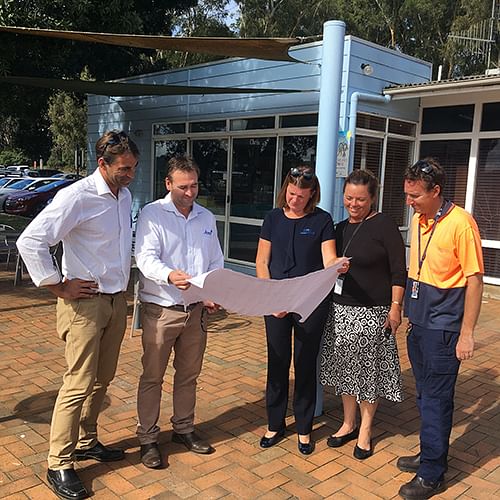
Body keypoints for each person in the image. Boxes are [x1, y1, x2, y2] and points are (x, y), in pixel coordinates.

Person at [17, 130, 139, 500]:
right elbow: (31, 240)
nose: (130, 175)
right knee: (77, 383)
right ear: (101, 163)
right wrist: (58, 286)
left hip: (117, 301)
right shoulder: (76, 197)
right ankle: (59, 462)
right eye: (123, 169)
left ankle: (87, 440)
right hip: (84, 305)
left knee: (102, 379)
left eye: (134, 168)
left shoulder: (124, 194)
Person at [397, 158, 484, 500]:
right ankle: (429, 453)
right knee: (423, 395)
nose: (409, 202)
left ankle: (432, 473)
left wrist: (467, 333)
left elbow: (474, 281)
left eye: (415, 195)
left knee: (436, 399)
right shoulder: (421, 219)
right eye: (407, 195)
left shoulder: (461, 223)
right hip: (419, 323)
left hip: (444, 329)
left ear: (436, 191)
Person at [135, 156, 223, 469]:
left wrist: (212, 290)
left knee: (188, 376)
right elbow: (145, 257)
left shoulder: (206, 217)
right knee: (153, 377)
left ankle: (183, 429)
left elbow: (216, 261)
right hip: (161, 309)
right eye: (183, 186)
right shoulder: (152, 214)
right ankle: (147, 438)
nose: (190, 192)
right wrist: (170, 274)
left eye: (194, 185)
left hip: (196, 311)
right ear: (168, 184)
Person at [255, 165, 344, 455]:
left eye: (301, 196)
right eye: (291, 194)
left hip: (310, 302)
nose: (294, 200)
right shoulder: (272, 218)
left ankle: (304, 428)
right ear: (286, 190)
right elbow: (261, 262)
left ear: (311, 195)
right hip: (276, 301)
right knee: (277, 363)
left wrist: (339, 265)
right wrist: (270, 297)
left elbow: (328, 258)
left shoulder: (322, 220)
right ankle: (275, 423)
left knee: (305, 365)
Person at [320, 169, 406, 460]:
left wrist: (396, 307)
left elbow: (398, 271)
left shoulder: (384, 226)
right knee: (346, 370)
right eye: (348, 198)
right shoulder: (339, 228)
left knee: (368, 372)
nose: (353, 204)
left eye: (360, 199)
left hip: (374, 311)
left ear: (372, 198)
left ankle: (366, 430)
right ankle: (347, 423)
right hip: (342, 309)